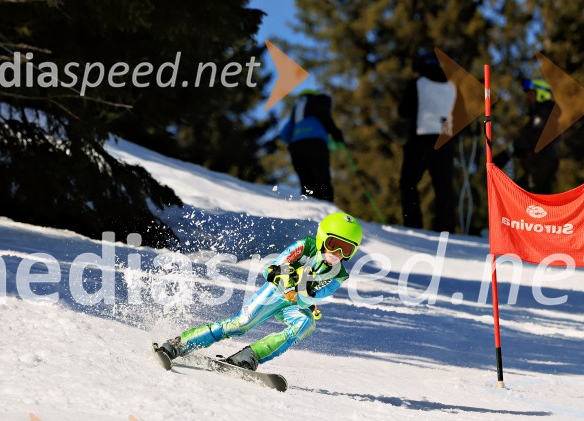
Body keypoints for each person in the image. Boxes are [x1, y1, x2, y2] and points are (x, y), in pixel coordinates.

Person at [155, 212, 363, 370]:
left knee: (306, 324)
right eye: (334, 244)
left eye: (346, 250)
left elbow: (316, 295)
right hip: (274, 293)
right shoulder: (305, 247)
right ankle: (178, 345)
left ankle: (249, 356)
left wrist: (304, 295)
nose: (337, 253)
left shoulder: (339, 275)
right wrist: (287, 278)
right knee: (240, 324)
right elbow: (271, 268)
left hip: (295, 304)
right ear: (321, 238)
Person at [398, 51, 457, 232]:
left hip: (421, 139)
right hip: (446, 139)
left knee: (408, 182)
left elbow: (403, 111)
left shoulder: (417, 83)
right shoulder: (452, 86)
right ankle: (445, 228)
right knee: (443, 186)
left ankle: (413, 225)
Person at [494, 78, 561, 195]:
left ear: (541, 94)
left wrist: (503, 157)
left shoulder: (543, 116)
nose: (527, 97)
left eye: (531, 93)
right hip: (535, 170)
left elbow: (527, 139)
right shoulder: (542, 115)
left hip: (540, 170)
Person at [279, 90, 345, 202]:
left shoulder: (297, 111)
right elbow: (327, 119)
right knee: (322, 178)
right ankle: (326, 208)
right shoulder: (318, 104)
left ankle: (308, 210)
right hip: (316, 143)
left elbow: (285, 134)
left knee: (306, 182)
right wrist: (335, 133)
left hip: (296, 147)